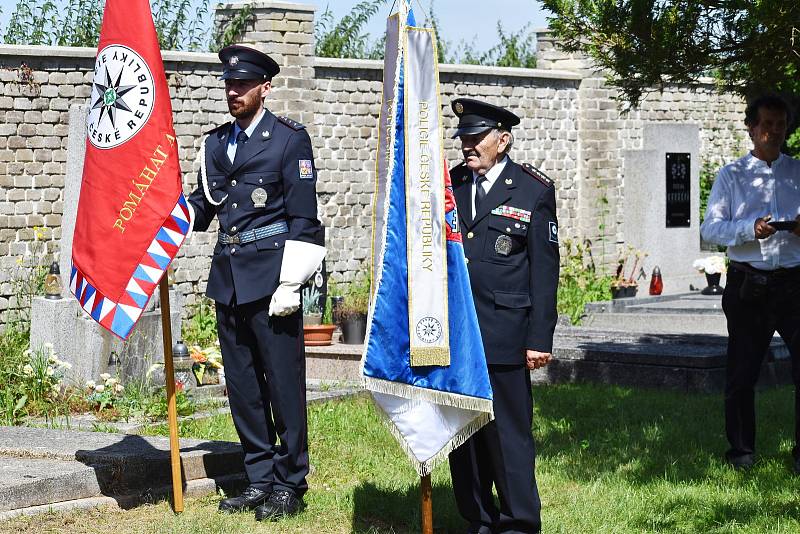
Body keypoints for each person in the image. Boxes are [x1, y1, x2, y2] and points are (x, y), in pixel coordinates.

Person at [186, 44, 325, 521]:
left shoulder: (288, 140)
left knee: (284, 385)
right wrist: (164, 218)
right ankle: (258, 477)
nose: (234, 91)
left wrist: (292, 283)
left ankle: (290, 482)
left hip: (272, 280)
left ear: (265, 88)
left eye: (243, 84)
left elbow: (304, 220)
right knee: (243, 387)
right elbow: (203, 209)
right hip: (228, 277)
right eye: (229, 84)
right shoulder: (214, 143)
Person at [447, 98, 559, 534]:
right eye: (463, 138)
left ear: (503, 139)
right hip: (458, 332)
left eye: (476, 138)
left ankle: (518, 522)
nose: (467, 146)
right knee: (465, 436)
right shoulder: (451, 184)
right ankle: (476, 517)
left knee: (508, 436)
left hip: (506, 331)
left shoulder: (532, 189)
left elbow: (545, 270)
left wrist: (540, 337)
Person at [700, 94, 800, 472]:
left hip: (795, 283)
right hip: (749, 284)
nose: (773, 132)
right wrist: (749, 228)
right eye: (767, 125)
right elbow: (712, 228)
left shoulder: (798, 171)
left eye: (780, 125)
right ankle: (741, 452)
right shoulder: (732, 175)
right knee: (742, 372)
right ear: (751, 128)